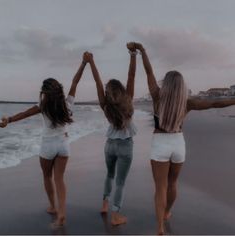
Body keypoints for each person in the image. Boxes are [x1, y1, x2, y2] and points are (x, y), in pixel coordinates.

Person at [133, 42, 235, 235]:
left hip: (160, 143)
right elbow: (216, 103)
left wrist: (142, 51)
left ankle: (159, 227)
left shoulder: (157, 97)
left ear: (166, 85)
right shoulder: (187, 103)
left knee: (160, 187)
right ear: (182, 87)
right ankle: (167, 212)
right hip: (178, 144)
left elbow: (148, 73)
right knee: (172, 184)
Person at [0, 54, 88, 227]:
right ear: (59, 90)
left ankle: (53, 207)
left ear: (45, 93)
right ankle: (62, 212)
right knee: (60, 179)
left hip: (47, 146)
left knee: (47, 176)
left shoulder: (42, 106)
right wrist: (84, 63)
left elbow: (23, 114)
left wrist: (7, 121)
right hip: (63, 145)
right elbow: (75, 82)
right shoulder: (68, 104)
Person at [82, 42, 137, 225]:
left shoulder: (105, 106)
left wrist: (91, 62)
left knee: (109, 175)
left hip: (109, 145)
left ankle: (104, 204)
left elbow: (98, 82)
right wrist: (133, 55)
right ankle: (115, 215)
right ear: (121, 90)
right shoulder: (127, 99)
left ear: (108, 93)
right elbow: (131, 75)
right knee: (120, 182)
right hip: (125, 145)